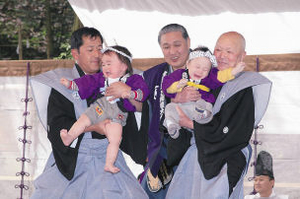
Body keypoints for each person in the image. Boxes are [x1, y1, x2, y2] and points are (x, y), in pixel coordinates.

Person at [30, 27, 148, 198]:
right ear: (75, 54)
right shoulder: (62, 85)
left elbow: (132, 117)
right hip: (74, 160)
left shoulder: (114, 80)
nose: (97, 55)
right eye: (90, 49)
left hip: (108, 157)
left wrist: (143, 154)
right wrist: (95, 127)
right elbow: (57, 126)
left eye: (100, 48)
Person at [165, 31, 272, 199]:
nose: (222, 56)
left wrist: (190, 124)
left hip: (225, 158)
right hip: (195, 154)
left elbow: (235, 130)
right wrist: (179, 97)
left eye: (229, 52)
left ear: (242, 56)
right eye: (218, 50)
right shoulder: (205, 77)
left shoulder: (243, 86)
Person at [59, 45, 149, 173]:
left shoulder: (133, 79)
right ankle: (70, 136)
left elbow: (142, 92)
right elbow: (87, 82)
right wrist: (71, 84)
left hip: (118, 113)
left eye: (109, 63)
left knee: (115, 139)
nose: (105, 67)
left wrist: (130, 93)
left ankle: (109, 163)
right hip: (101, 107)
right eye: (103, 64)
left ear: (124, 66)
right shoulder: (101, 79)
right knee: (84, 119)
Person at [136, 23, 201, 199]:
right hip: (161, 151)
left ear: (188, 42)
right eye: (166, 47)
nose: (172, 51)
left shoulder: (205, 69)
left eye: (177, 45)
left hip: (197, 149)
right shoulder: (153, 75)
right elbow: (139, 108)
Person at [162, 46, 245, 139]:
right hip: (183, 108)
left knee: (206, 104)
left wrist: (234, 71)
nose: (200, 71)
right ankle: (172, 125)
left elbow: (221, 76)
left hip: (198, 108)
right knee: (169, 107)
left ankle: (204, 115)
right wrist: (177, 86)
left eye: (205, 69)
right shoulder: (180, 75)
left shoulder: (208, 79)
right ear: (188, 64)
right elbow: (167, 87)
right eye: (197, 67)